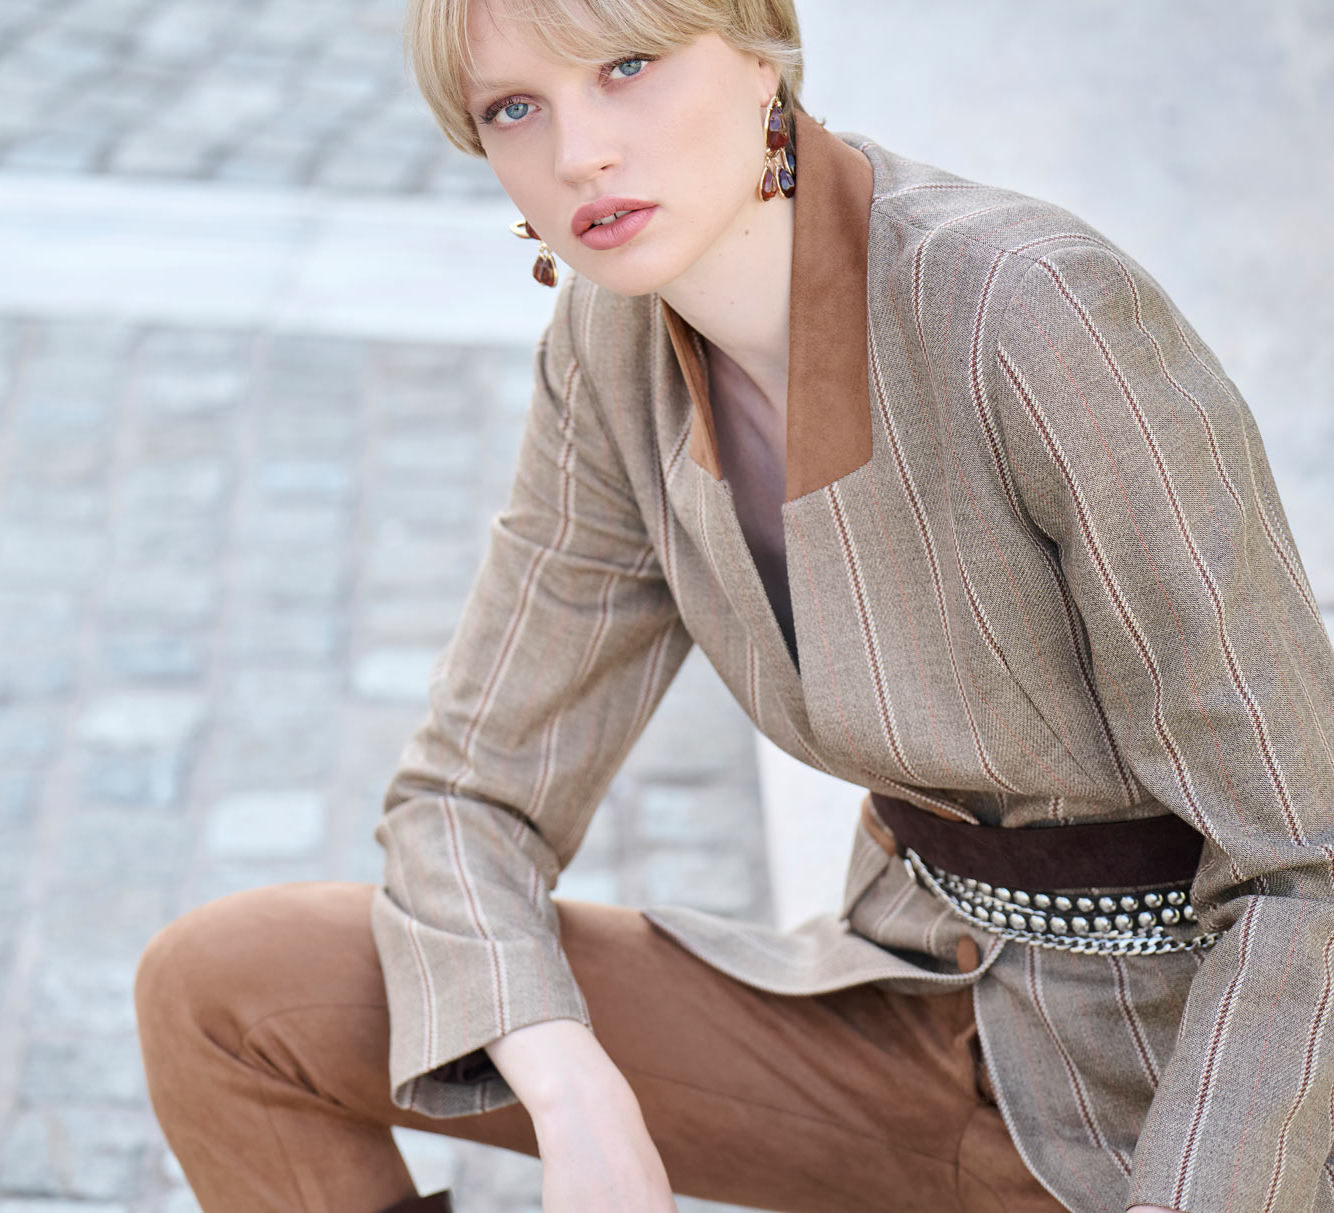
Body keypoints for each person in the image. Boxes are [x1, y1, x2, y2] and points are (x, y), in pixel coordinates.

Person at [134, 0, 1334, 1209]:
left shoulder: (1026, 316)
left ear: (762, 54)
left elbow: (1302, 866)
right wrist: (567, 1087)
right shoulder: (612, 350)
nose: (578, 153)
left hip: (1179, 1095)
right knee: (232, 989)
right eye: (514, 107)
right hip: (902, 1017)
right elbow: (466, 798)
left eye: (627, 67)